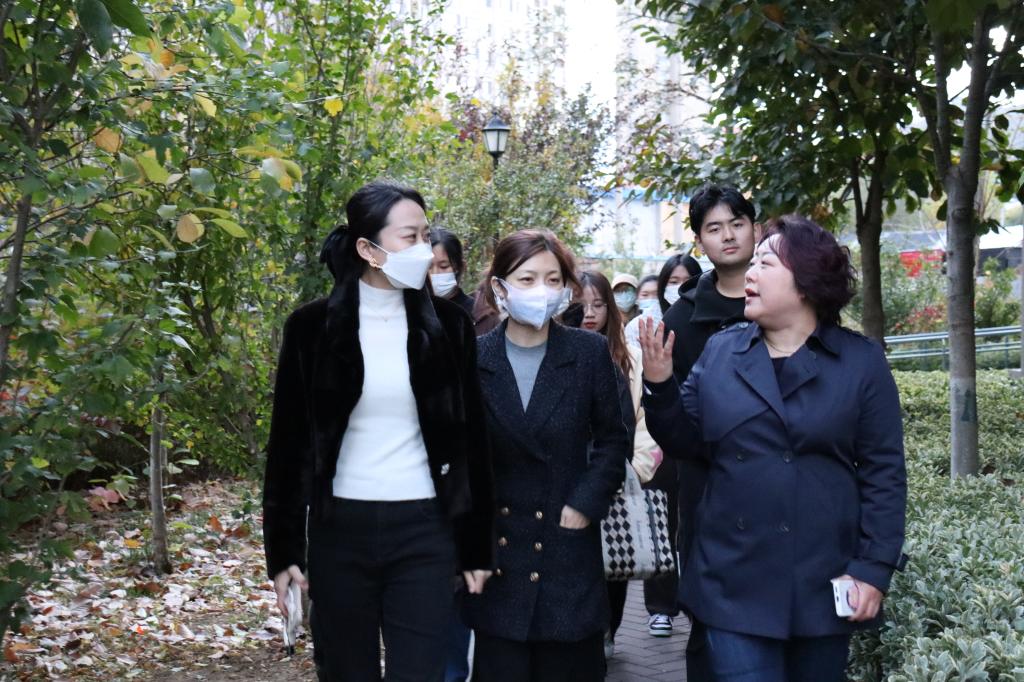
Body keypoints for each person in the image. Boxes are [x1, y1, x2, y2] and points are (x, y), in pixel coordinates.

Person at [639, 214, 908, 682]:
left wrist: (872, 569)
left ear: (806, 281)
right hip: (733, 575)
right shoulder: (722, 351)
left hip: (823, 576)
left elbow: (883, 474)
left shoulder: (860, 361)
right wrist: (660, 385)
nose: (751, 274)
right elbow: (684, 440)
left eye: (765, 263)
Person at [262, 181, 496, 682]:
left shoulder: (450, 327)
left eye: (427, 235)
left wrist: (476, 547)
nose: (424, 250)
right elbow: (288, 447)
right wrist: (283, 554)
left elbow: (471, 442)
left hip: (424, 530)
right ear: (368, 249)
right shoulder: (311, 328)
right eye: (410, 237)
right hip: (339, 531)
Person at [464, 231, 630, 682]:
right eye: (527, 278)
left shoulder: (588, 352)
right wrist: (471, 542)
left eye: (553, 279)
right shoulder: (473, 358)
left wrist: (584, 504)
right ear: (500, 287)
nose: (542, 290)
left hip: (566, 550)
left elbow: (613, 440)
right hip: (500, 554)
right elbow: (461, 457)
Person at [659, 183, 759, 676]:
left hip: (780, 489)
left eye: (737, 223)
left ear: (755, 228)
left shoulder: (785, 299)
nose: (729, 236)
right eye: (714, 228)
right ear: (700, 241)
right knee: (709, 626)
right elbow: (677, 416)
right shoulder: (682, 318)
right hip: (709, 490)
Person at [575, 271, 662, 659]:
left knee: (616, 557)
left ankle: (606, 632)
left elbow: (645, 418)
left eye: (598, 304)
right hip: (569, 477)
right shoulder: (556, 352)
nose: (590, 313)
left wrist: (637, 468)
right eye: (581, 305)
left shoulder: (629, 356)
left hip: (617, 475)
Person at [430, 227, 476, 316]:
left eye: (444, 266)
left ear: (458, 267)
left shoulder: (477, 313)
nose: (435, 273)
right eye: (428, 266)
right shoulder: (414, 310)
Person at [624, 275, 662, 347]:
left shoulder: (672, 320)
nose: (651, 298)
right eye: (645, 295)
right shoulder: (632, 327)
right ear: (637, 298)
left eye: (656, 294)